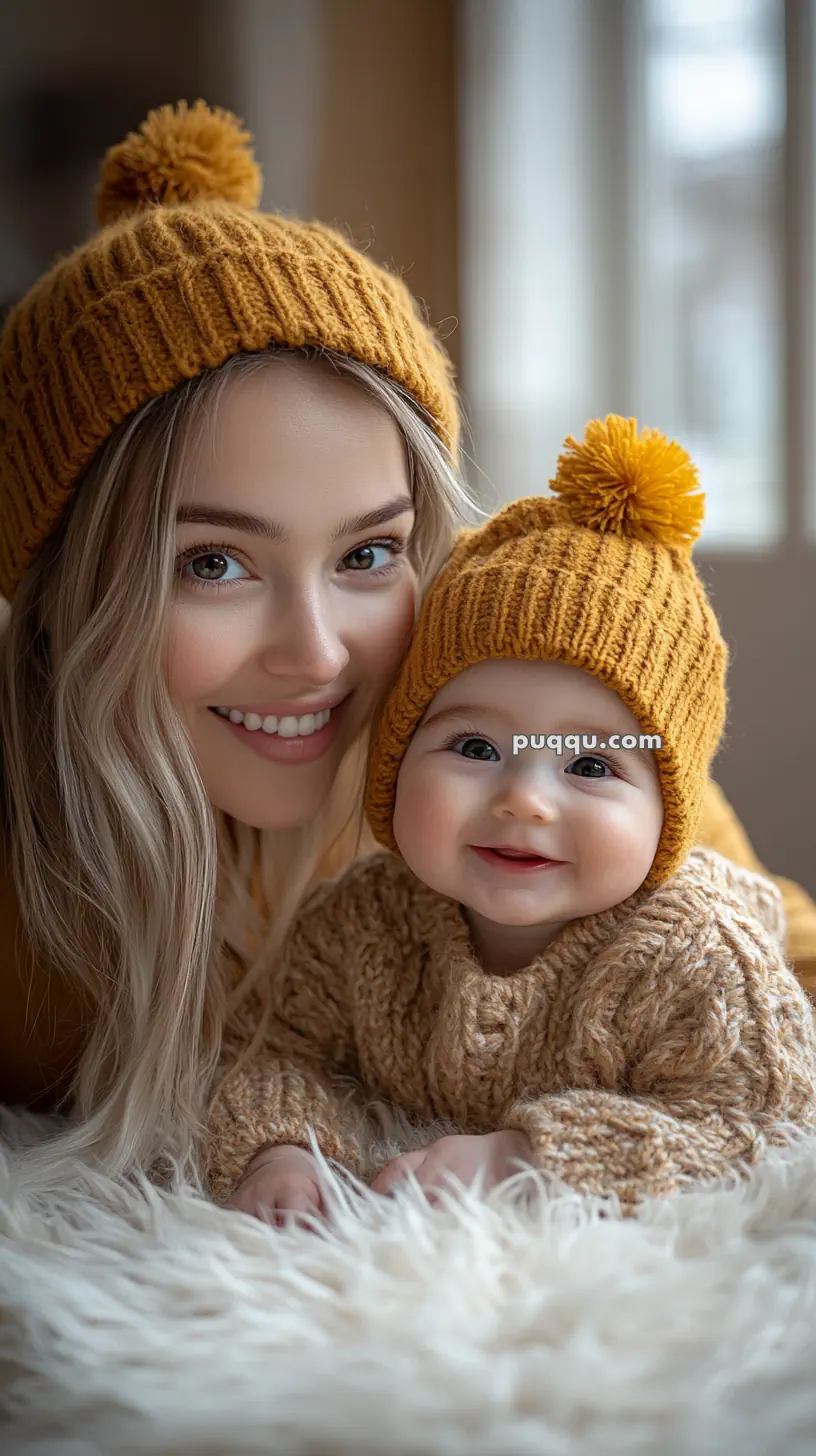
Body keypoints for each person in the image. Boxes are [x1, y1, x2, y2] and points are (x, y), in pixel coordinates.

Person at [0, 101, 814, 1191]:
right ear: (61, 594)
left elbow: (776, 978)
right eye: (212, 564)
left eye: (369, 554)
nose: (319, 653)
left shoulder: (515, 686)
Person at [207, 416, 816, 1220]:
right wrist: (281, 1148)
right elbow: (272, 1049)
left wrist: (523, 1159)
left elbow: (764, 1118)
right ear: (396, 759)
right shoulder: (363, 924)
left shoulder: (696, 955)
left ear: (671, 810)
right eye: (474, 745)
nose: (525, 798)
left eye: (591, 766)